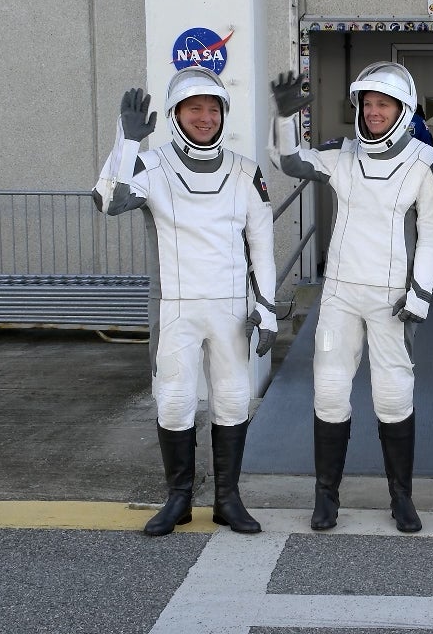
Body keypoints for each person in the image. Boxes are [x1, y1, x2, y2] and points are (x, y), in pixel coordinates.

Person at [93, 66, 276, 537]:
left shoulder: (244, 170)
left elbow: (262, 245)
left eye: (213, 108)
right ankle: (178, 499)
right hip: (175, 306)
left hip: (232, 307)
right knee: (174, 403)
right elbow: (108, 201)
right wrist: (126, 140)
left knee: (232, 402)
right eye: (195, 108)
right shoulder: (151, 166)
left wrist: (268, 308)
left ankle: (227, 500)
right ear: (176, 113)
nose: (205, 117)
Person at [269, 63, 433, 533]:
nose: (371, 112)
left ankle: (402, 499)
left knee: (393, 397)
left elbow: (432, 232)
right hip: (339, 300)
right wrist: (286, 119)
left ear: (403, 109)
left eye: (381, 104)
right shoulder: (341, 154)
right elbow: (290, 163)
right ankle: (325, 498)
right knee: (329, 392)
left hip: (392, 301)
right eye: (366, 104)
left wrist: (421, 293)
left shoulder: (425, 162)